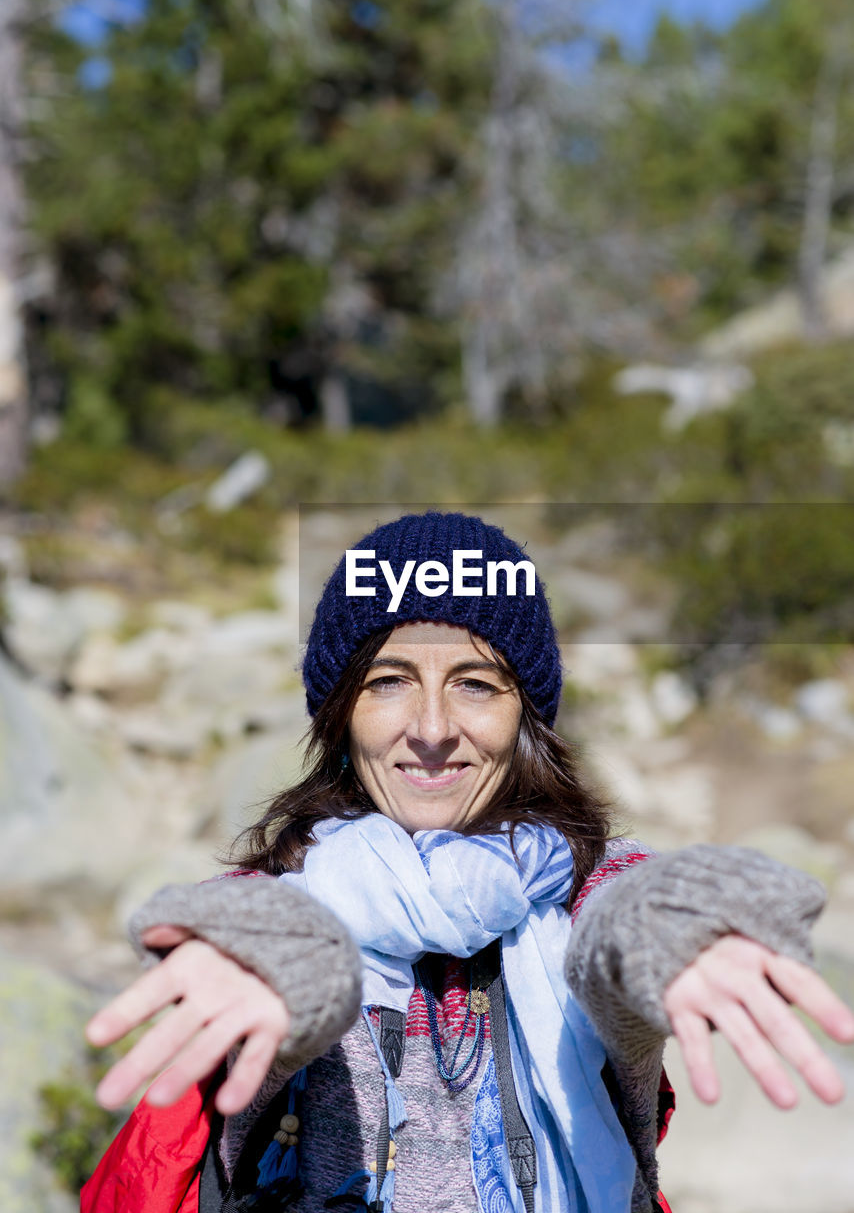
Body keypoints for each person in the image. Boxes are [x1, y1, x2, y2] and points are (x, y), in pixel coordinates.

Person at [81, 511, 854, 1213]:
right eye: (389, 682)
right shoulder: (278, 907)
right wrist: (286, 961)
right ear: (340, 713)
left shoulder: (589, 893)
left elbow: (622, 925)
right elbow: (268, 926)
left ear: (527, 715)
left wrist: (677, 926)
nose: (431, 728)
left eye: (475, 684)